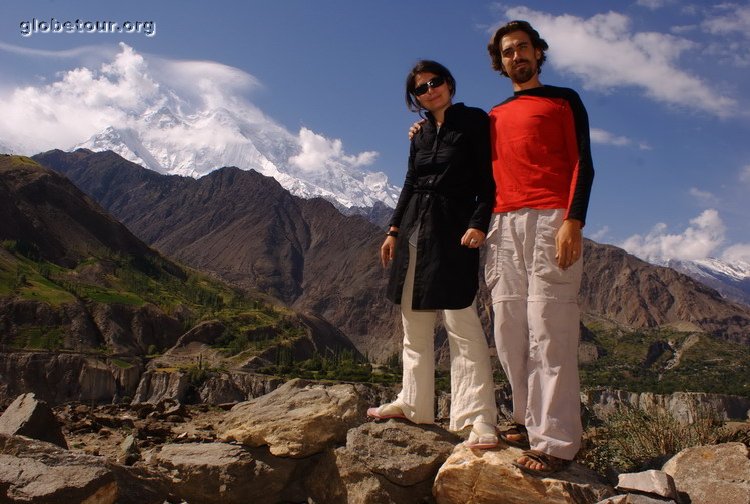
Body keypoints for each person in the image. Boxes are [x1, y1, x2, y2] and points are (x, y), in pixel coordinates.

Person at [368, 60, 499, 449]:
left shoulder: (474, 122)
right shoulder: (420, 134)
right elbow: (409, 183)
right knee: (414, 327)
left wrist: (478, 222)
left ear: (449, 83)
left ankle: (479, 418)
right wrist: (393, 229)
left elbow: (488, 179)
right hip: (413, 231)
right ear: (415, 99)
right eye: (421, 88)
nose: (430, 90)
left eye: (435, 82)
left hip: (453, 233)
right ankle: (414, 403)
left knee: (463, 327)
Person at [483, 20, 595, 475]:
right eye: (508, 52)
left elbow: (583, 162)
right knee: (509, 328)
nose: (516, 57)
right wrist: (420, 130)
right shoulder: (493, 115)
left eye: (523, 48)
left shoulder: (564, 100)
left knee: (550, 327)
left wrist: (574, 220)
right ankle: (525, 421)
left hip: (552, 218)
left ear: (538, 52)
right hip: (502, 223)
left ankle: (558, 441)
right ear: (500, 61)